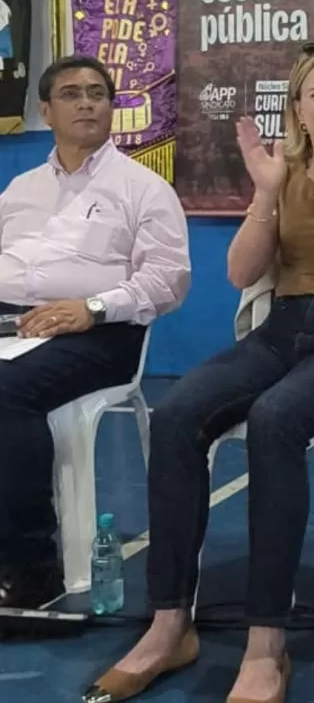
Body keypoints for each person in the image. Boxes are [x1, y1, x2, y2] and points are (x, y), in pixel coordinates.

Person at [83, 45, 314, 703]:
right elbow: (241, 271)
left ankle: (266, 643)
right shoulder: (282, 174)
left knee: (275, 420)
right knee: (177, 414)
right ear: (297, 108)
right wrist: (266, 192)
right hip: (283, 330)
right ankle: (169, 624)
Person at [0, 55, 190, 609]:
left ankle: (32, 566)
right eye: (71, 94)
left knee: (6, 393)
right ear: (45, 111)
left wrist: (94, 307)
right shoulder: (20, 190)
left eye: (97, 94)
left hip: (99, 331)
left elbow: (167, 280)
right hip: (12, 319)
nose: (86, 103)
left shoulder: (142, 188)